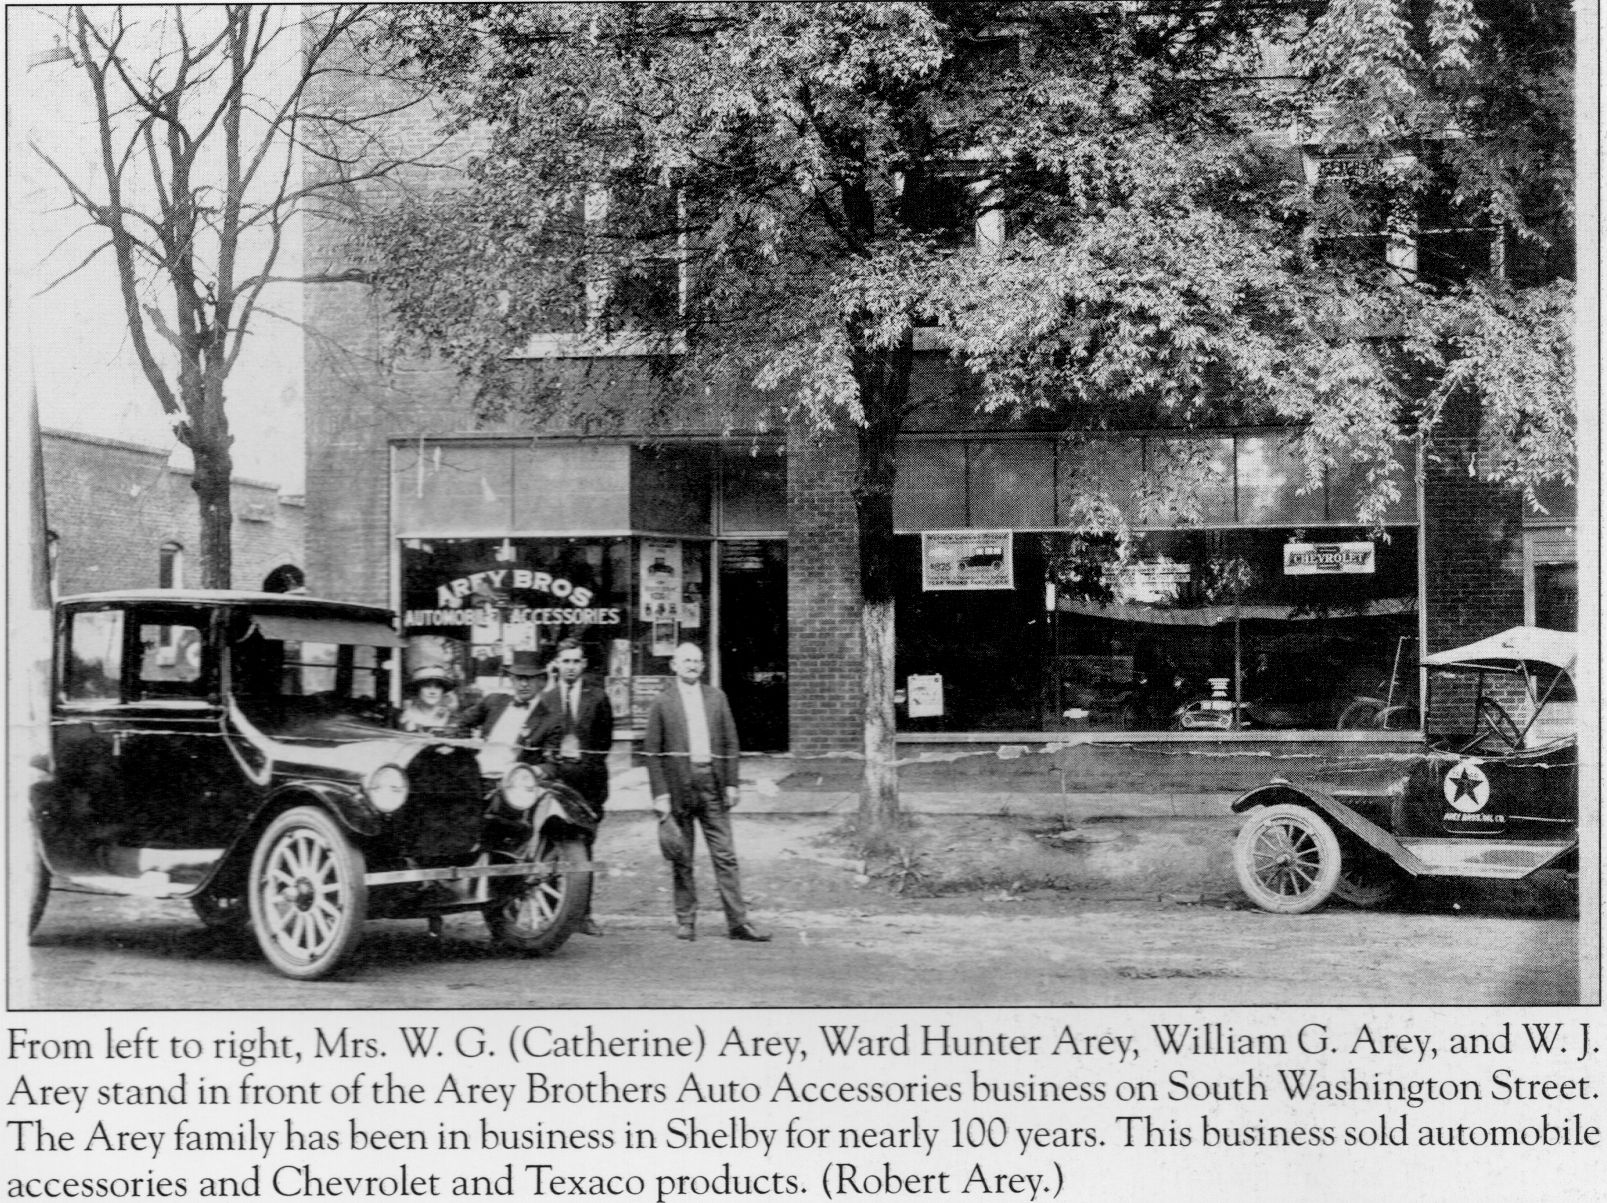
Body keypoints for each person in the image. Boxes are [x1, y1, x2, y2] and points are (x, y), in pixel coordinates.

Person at [643, 641, 769, 943]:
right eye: (686, 660)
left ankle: (738, 923)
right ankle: (686, 920)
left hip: (711, 784)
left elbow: (730, 743)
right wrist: (661, 796)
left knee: (725, 855)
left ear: (703, 665)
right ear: (673, 665)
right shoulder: (662, 701)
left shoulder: (716, 698)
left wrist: (731, 783)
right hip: (678, 789)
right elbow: (652, 752)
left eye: (697, 661)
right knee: (682, 856)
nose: (692, 665)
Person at [529, 638, 613, 936]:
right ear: (556, 664)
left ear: (584, 664)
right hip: (555, 784)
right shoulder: (546, 699)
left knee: (583, 848)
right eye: (565, 661)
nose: (571, 667)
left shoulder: (598, 697)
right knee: (552, 846)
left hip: (588, 786)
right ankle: (555, 914)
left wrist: (585, 768)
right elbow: (535, 742)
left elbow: (604, 743)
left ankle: (583, 915)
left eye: (576, 661)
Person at [455, 650, 544, 777]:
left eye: (529, 678)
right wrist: (468, 754)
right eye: (519, 678)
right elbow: (463, 721)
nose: (524, 684)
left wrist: (531, 771)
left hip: (513, 782)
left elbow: (551, 764)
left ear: (540, 681)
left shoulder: (548, 718)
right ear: (512, 679)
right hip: (477, 774)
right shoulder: (494, 701)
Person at [400, 665, 458, 734]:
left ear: (442, 691)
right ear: (418, 690)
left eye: (437, 687)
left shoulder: (451, 719)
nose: (432, 692)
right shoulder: (406, 718)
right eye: (427, 686)